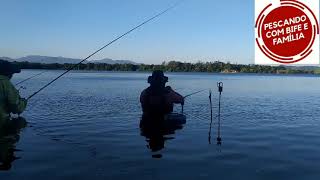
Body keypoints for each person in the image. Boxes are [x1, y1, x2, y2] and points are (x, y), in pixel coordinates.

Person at [0, 60, 28, 128]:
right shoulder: (7, 84)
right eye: (12, 73)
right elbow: (15, 109)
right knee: (22, 123)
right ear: (9, 73)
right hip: (1, 122)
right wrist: (24, 102)